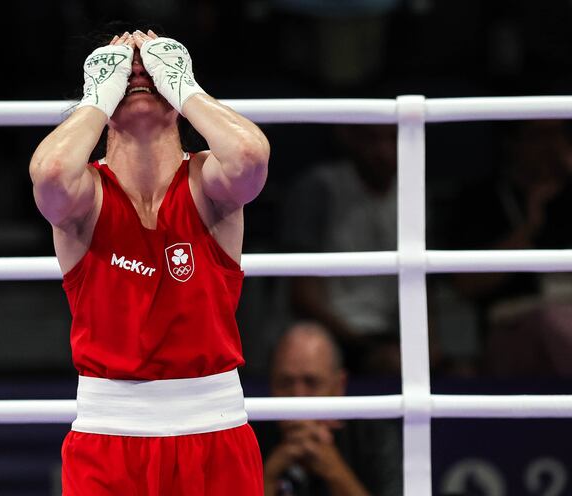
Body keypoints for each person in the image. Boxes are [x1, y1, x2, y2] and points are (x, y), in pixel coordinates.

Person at [28, 29, 270, 495]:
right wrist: (96, 98)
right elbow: (51, 172)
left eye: (153, 71)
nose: (139, 71)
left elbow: (250, 155)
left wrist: (184, 85)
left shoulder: (207, 184)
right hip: (108, 436)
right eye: (124, 72)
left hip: (215, 431)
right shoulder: (86, 198)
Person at [446, 119, 572, 376]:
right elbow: (465, 285)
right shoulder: (480, 198)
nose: (552, 147)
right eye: (541, 136)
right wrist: (529, 228)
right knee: (550, 321)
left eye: (560, 136)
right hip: (511, 327)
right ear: (512, 143)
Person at [281, 124, 400, 374]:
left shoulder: (412, 193)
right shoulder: (319, 189)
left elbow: (426, 287)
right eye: (373, 139)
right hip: (332, 335)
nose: (384, 151)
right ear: (351, 138)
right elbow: (303, 295)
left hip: (393, 338)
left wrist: (429, 348)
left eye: (393, 139)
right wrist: (365, 348)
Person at [259, 322, 402, 496]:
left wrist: (334, 471)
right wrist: (267, 477)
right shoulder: (251, 438)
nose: (298, 397)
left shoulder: (376, 438)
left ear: (339, 386)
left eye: (311, 383)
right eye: (285, 383)